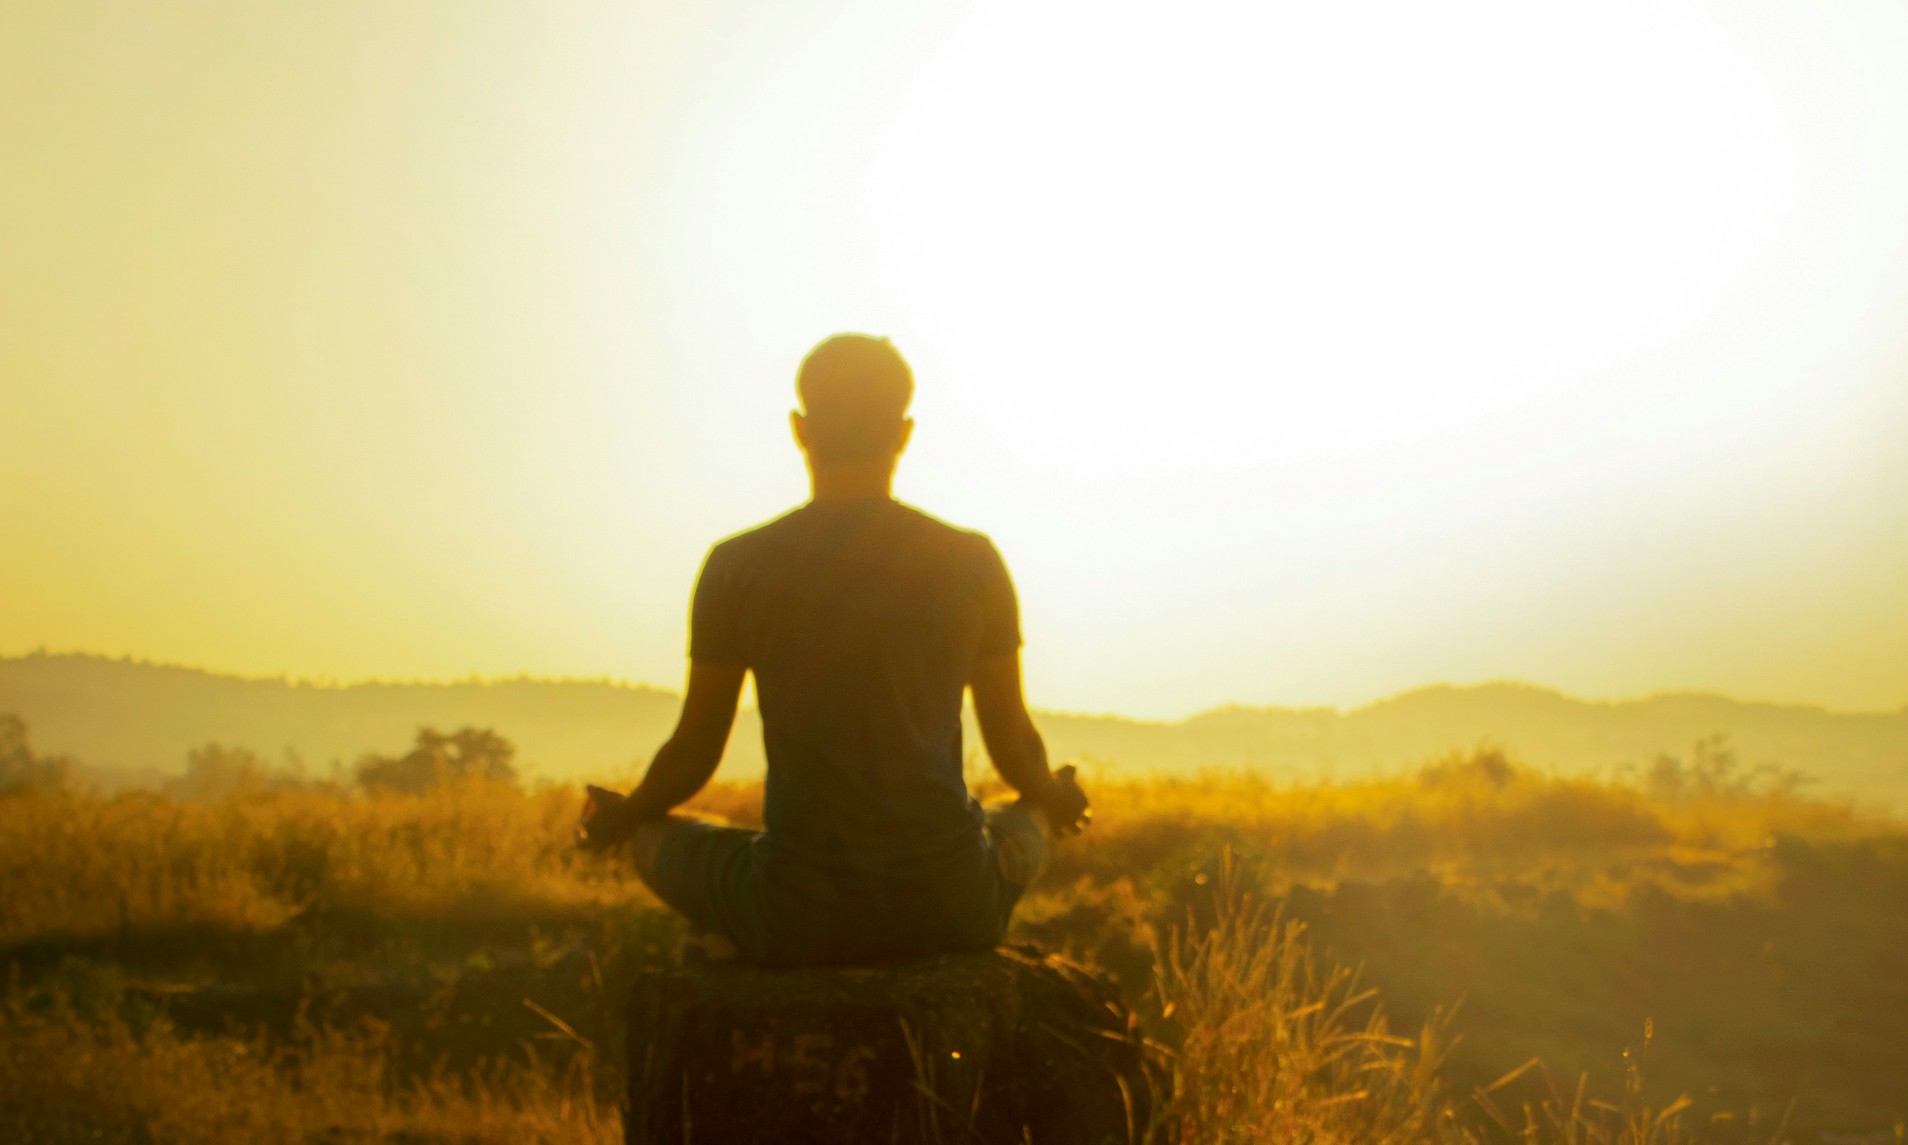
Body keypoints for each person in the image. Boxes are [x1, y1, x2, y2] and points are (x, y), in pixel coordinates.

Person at [578, 333, 1089, 968]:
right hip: (953, 907)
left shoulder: (737, 566)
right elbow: (1015, 747)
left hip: (797, 913)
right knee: (1030, 816)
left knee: (652, 836)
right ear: (902, 433)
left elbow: (692, 755)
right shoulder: (971, 563)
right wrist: (1054, 795)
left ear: (800, 428)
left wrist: (622, 816)